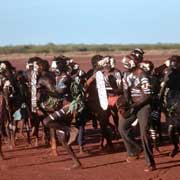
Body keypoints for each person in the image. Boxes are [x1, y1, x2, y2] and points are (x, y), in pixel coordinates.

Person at [118, 54, 156, 172]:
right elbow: (125, 92)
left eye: (127, 63)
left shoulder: (142, 75)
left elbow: (148, 95)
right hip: (133, 106)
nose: (125, 66)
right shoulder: (126, 75)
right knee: (122, 127)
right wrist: (124, 105)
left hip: (144, 106)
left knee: (144, 133)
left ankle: (150, 163)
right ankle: (135, 150)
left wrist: (135, 106)